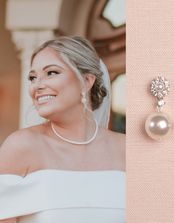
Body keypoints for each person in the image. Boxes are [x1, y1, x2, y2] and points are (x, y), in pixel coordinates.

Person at [0, 36, 125, 223]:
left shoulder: (126, 149)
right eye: (33, 77)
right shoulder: (21, 146)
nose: (38, 85)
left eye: (51, 73)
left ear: (87, 80)